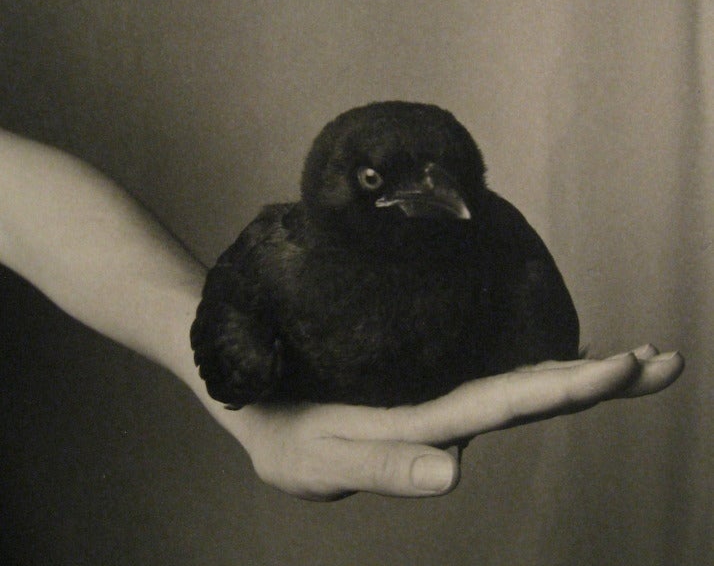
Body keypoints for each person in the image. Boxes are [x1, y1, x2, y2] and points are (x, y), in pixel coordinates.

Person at [0, 126, 684, 500]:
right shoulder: (280, 260)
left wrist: (226, 389)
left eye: (450, 178)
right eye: (377, 179)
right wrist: (241, 377)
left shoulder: (505, 259)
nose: (437, 194)